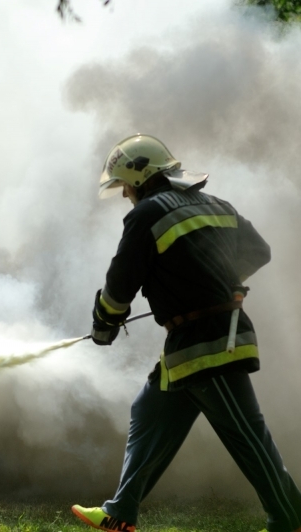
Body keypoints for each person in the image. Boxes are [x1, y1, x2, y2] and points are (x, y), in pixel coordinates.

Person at [71, 134, 301, 532]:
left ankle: (291, 517)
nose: (124, 193)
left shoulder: (147, 214)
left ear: (140, 179)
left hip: (211, 346)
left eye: (125, 184)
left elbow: (120, 283)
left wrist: (104, 324)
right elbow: (259, 250)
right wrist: (226, 281)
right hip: (187, 347)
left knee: (247, 435)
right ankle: (119, 513)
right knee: (148, 411)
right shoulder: (217, 205)